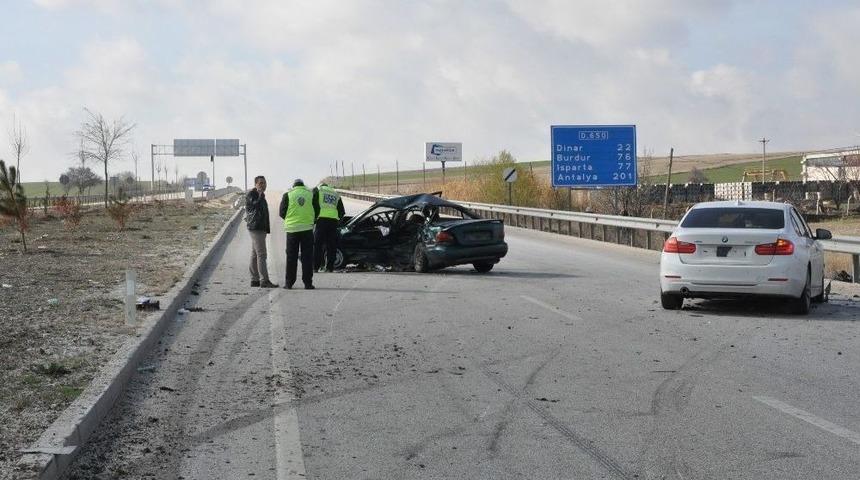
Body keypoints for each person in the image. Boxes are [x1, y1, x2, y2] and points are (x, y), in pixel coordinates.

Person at [279, 179, 315, 289]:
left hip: (292, 230)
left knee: (291, 257)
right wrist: (310, 221)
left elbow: (282, 212)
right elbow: (317, 210)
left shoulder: (288, 195)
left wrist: (290, 220)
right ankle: (308, 283)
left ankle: (289, 283)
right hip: (307, 229)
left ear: (293, 186)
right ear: (303, 185)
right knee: (307, 257)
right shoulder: (310, 194)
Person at [245, 176, 278, 288]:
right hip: (256, 227)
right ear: (255, 184)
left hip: (259, 227)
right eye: (260, 183)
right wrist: (259, 195)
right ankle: (264, 280)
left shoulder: (261, 195)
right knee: (262, 254)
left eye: (264, 183)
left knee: (255, 254)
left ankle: (254, 280)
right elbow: (254, 205)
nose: (263, 185)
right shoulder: (252, 194)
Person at [313, 182, 345, 272]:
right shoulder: (335, 193)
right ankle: (330, 268)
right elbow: (342, 211)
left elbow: (313, 206)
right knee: (331, 245)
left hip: (321, 221)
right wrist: (338, 222)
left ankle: (316, 267)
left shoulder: (318, 191)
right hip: (333, 222)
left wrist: (314, 219)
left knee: (317, 245)